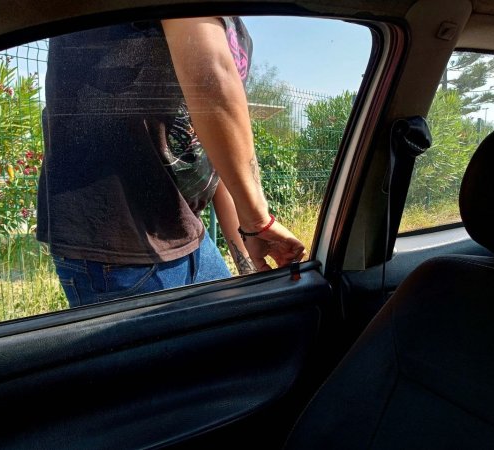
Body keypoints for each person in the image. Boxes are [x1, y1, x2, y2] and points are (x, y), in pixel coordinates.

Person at [36, 17, 305, 307]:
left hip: (184, 231)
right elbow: (209, 78)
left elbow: (218, 155)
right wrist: (259, 220)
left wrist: (248, 249)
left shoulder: (235, 28)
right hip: (122, 240)